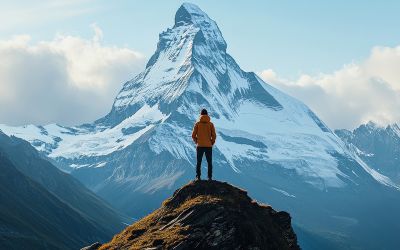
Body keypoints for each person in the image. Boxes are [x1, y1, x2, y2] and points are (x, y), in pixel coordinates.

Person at [191, 108, 217, 181]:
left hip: (200, 146)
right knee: (209, 162)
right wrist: (211, 142)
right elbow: (214, 135)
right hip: (208, 146)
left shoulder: (197, 124)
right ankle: (209, 177)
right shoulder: (211, 124)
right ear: (207, 115)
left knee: (199, 162)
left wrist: (197, 141)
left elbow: (193, 135)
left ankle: (198, 177)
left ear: (201, 115)